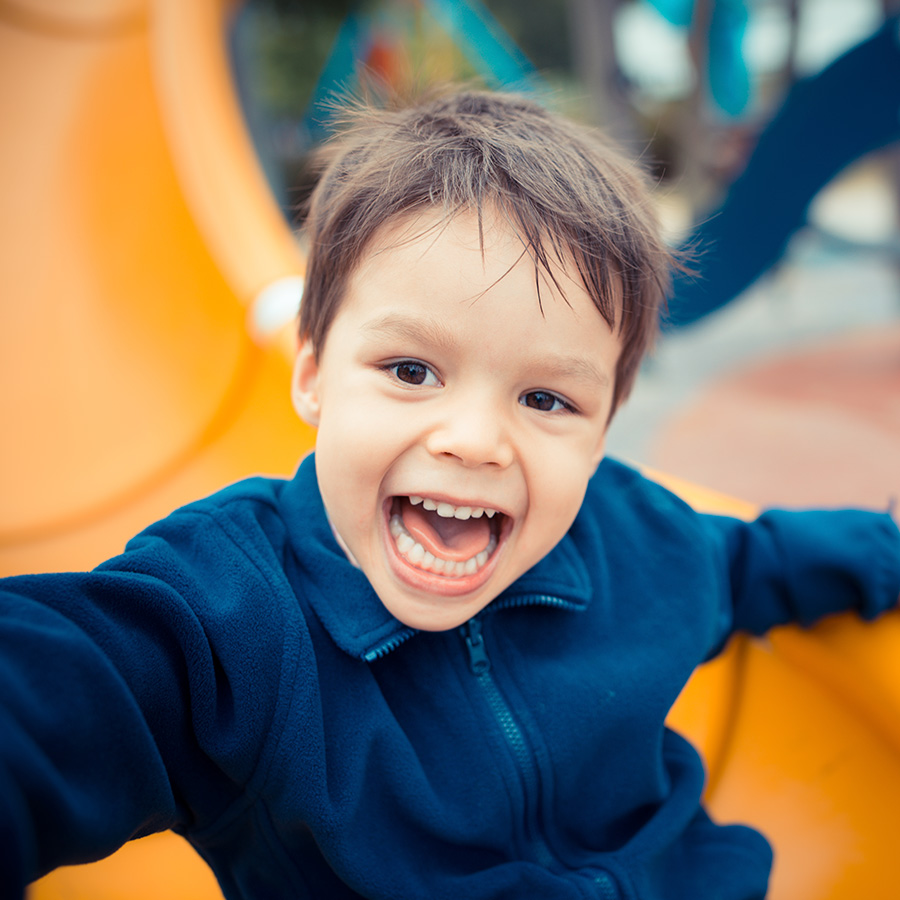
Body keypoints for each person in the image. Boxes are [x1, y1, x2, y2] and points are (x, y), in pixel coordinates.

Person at [2, 89, 899, 900]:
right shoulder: (229, 617)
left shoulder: (636, 537)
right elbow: (67, 689)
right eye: (411, 370)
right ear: (312, 377)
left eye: (546, 399)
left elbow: (755, 560)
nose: (471, 440)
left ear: (604, 423)